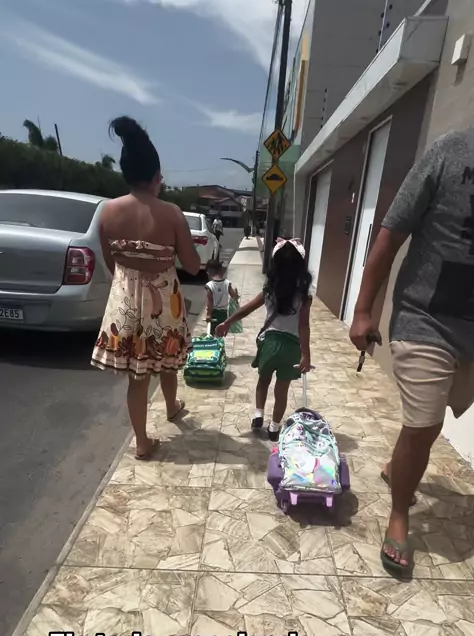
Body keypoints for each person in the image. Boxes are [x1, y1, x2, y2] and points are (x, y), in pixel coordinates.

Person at [349, 124, 474, 574]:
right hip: (425, 318)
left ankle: (396, 467)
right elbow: (390, 235)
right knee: (425, 424)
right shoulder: (449, 152)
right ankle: (399, 516)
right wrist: (362, 310)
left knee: (425, 425)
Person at [91, 116, 200, 460]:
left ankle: (144, 438)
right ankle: (169, 408)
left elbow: (111, 263)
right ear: (156, 176)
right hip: (163, 301)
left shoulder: (107, 212)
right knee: (168, 359)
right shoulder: (171, 213)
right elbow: (193, 265)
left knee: (136, 378)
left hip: (125, 300)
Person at [216, 238, 312, 440]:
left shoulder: (269, 291)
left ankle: (258, 414)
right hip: (291, 348)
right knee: (282, 389)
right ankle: (274, 427)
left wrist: (227, 322)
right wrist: (306, 355)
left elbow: (247, 309)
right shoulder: (304, 297)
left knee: (263, 381)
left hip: (270, 344)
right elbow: (304, 326)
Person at [205, 259, 239, 335]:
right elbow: (234, 296)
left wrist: (208, 314)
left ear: (209, 271)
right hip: (224, 313)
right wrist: (236, 294)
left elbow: (210, 301)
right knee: (221, 333)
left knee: (212, 333)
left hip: (214, 313)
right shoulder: (227, 283)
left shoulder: (209, 285)